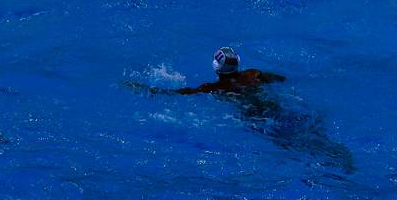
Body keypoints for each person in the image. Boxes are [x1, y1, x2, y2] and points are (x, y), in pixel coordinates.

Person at [130, 47, 354, 172]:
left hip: (262, 123)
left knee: (297, 148)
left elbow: (179, 94)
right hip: (282, 111)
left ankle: (329, 170)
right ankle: (343, 159)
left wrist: (144, 89)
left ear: (215, 67)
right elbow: (281, 79)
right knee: (315, 139)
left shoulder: (214, 88)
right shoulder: (254, 74)